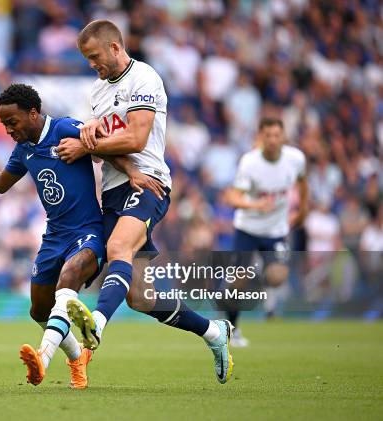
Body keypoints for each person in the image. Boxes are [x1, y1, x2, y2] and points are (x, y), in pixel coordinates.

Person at [0, 83, 164, 388]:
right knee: (39, 309)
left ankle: (42, 359)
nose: (8, 129)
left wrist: (133, 171)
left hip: (88, 232)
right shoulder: (23, 151)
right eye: (4, 124)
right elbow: (1, 182)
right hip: (54, 237)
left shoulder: (65, 128)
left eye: (12, 122)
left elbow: (103, 145)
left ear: (33, 113)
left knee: (69, 277)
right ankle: (75, 359)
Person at [56, 20, 234, 384]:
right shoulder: (96, 92)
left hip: (149, 183)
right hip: (113, 190)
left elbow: (137, 139)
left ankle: (97, 328)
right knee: (140, 297)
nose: (92, 64)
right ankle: (215, 333)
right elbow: (102, 147)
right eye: (86, 59)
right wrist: (87, 137)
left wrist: (87, 143)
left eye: (94, 56)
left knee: (119, 246)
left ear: (115, 48)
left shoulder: (145, 78)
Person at [224, 117, 309, 346]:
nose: (272, 140)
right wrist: (255, 205)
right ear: (261, 137)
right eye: (268, 136)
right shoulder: (250, 163)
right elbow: (231, 197)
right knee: (238, 283)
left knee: (277, 276)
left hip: (275, 230)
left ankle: (248, 280)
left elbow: (302, 182)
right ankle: (232, 330)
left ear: (283, 137)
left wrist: (303, 209)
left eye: (276, 135)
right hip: (247, 228)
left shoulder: (295, 159)